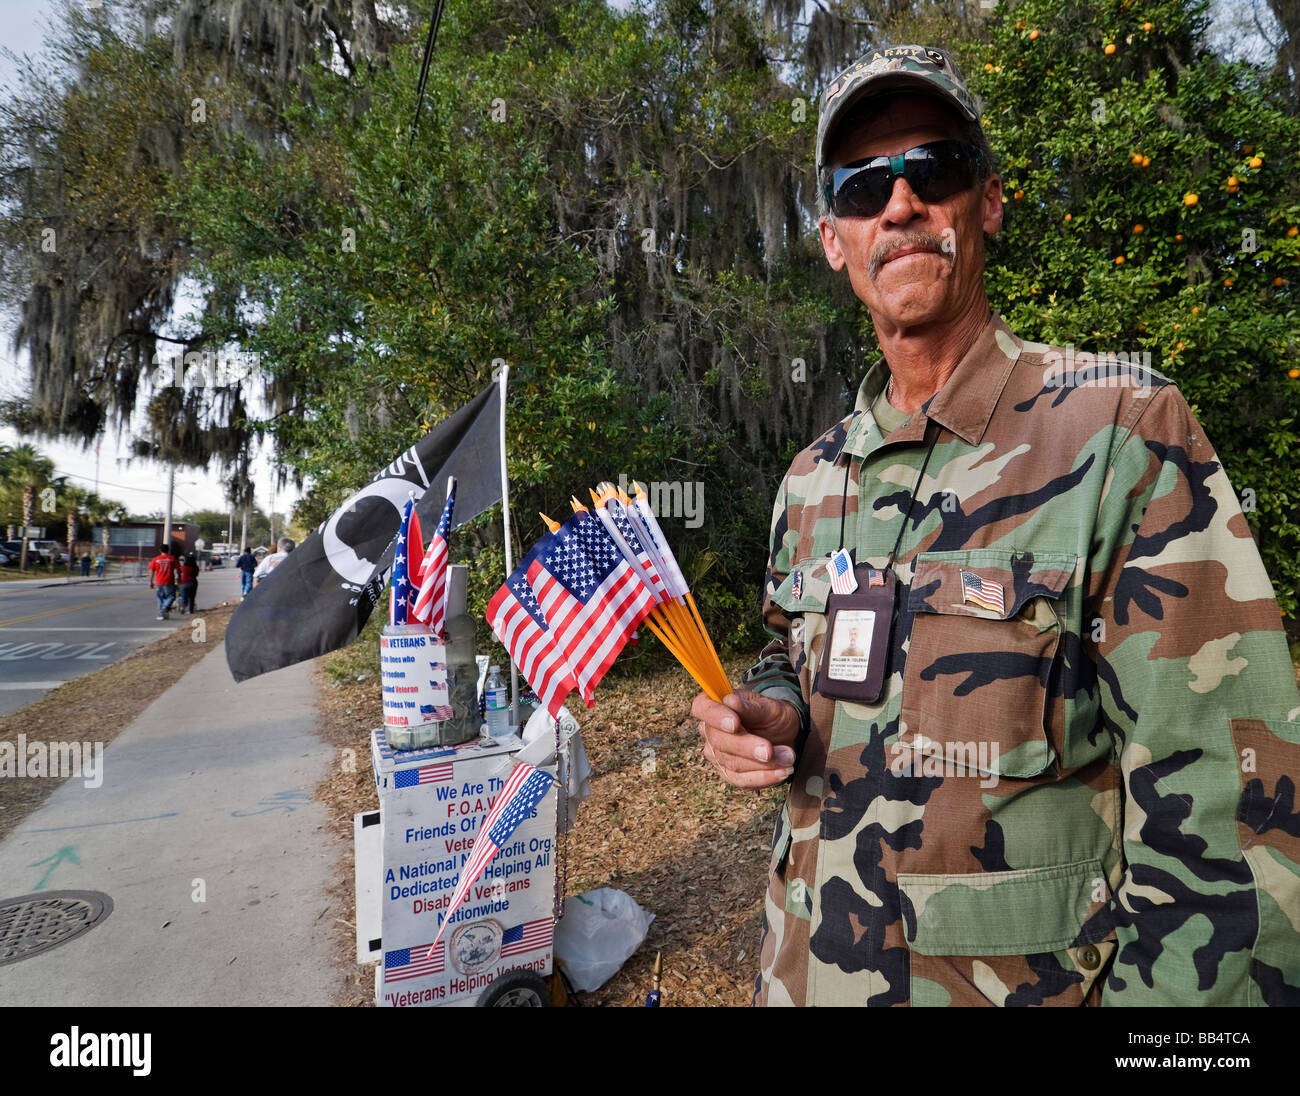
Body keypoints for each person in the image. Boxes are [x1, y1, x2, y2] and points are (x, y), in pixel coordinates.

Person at [692, 45, 1300, 1007]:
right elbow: (786, 649)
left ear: (989, 201)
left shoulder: (1119, 433)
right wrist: (774, 712)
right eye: (862, 187)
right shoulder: (811, 478)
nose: (899, 206)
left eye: (931, 170)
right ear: (832, 239)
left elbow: (1234, 820)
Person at [147, 545, 178, 620]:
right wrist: (178, 578)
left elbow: (152, 572)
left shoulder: (155, 559)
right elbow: (178, 570)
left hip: (159, 582)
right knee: (171, 596)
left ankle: (160, 615)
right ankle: (166, 606)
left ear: (160, 550)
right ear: (168, 550)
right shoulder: (172, 558)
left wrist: (151, 582)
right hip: (169, 581)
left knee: (160, 599)